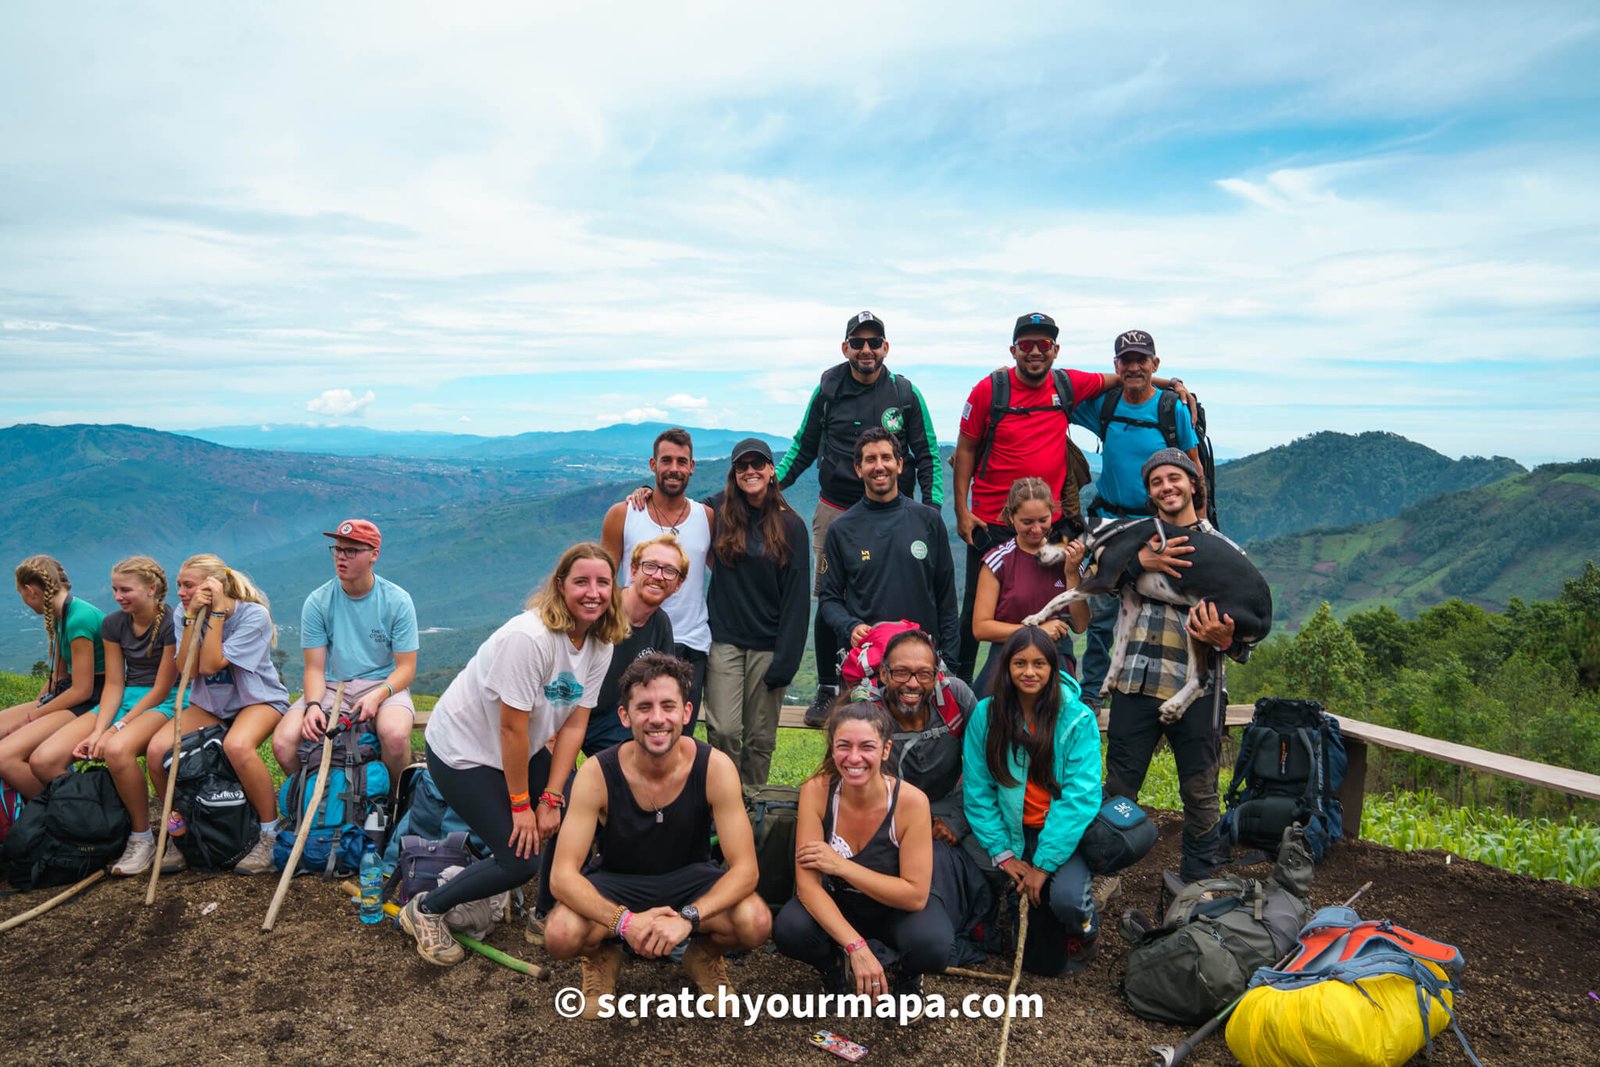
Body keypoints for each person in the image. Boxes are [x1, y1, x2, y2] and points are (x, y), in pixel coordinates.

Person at [400, 542, 627, 966]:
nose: (592, 592)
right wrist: (523, 805)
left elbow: (575, 723)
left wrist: (552, 798)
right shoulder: (530, 638)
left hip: (519, 745)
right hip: (462, 751)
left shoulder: (600, 643)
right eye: (581, 582)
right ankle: (427, 910)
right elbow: (512, 728)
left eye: (603, 582)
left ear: (614, 590)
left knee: (571, 805)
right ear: (560, 586)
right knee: (519, 860)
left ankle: (542, 914)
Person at [951, 313, 1188, 683]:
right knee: (975, 610)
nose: (1035, 351)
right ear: (1013, 350)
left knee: (1053, 598)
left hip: (1049, 523)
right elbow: (965, 449)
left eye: (1043, 344)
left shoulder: (1066, 384)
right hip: (991, 521)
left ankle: (1056, 677)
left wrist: (1168, 384)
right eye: (1026, 344)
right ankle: (960, 688)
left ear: (1055, 350)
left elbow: (1122, 376)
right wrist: (961, 510)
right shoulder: (989, 390)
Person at [545, 654, 771, 1016]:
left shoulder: (714, 767)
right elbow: (561, 876)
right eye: (644, 707)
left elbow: (746, 870)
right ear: (625, 716)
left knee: (756, 921)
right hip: (618, 881)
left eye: (668, 706)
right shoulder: (597, 773)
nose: (657, 718)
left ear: (686, 712)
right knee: (559, 933)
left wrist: (689, 918)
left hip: (690, 881)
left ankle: (704, 957)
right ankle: (602, 958)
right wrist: (626, 922)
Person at [773, 310, 944, 725]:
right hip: (836, 508)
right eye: (858, 342)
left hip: (895, 512)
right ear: (845, 347)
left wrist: (930, 512)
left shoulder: (904, 394)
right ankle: (829, 687)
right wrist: (765, 490)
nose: (866, 349)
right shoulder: (829, 390)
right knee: (828, 598)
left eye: (874, 342)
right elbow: (803, 446)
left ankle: (915, 673)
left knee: (901, 596)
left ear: (885, 348)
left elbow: (927, 454)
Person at [527, 533, 685, 943]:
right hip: (566, 717)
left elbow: (658, 684)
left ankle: (618, 887)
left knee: (630, 792)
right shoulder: (600, 613)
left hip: (614, 725)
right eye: (650, 566)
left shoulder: (660, 624)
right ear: (631, 570)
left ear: (679, 584)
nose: (658, 576)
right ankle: (544, 907)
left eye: (670, 571)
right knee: (567, 796)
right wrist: (551, 730)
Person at [1102, 448, 1250, 885]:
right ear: (1149, 493)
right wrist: (1137, 564)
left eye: (1174, 478)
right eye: (1156, 482)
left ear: (1192, 484)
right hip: (1134, 681)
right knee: (1118, 790)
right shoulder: (1140, 544)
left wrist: (1230, 640)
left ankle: (1197, 892)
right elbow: (1102, 580)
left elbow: (1247, 632)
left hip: (1196, 695)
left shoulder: (1224, 551)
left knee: (1200, 794)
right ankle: (1102, 880)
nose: (1166, 487)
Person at [774, 700, 947, 996]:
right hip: (842, 903)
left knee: (933, 945)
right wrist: (856, 947)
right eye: (844, 746)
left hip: (897, 911)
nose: (854, 758)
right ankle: (833, 966)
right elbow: (808, 887)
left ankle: (907, 976)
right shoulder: (817, 791)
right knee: (790, 928)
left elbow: (915, 895)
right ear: (832, 749)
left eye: (867, 746)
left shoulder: (912, 802)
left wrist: (841, 865)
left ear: (886, 749)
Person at [1071, 330, 1203, 702]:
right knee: (1102, 611)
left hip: (1156, 526)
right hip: (1109, 523)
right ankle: (1093, 694)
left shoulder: (1170, 409)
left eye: (1141, 360)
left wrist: (1199, 528)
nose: (1133, 367)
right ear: (1116, 366)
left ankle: (1145, 692)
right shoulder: (1106, 405)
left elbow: (1195, 472)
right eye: (1126, 360)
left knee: (1156, 610)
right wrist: (1170, 380)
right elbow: (1060, 388)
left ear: (1153, 363)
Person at [962, 626, 1103, 974]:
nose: (1029, 672)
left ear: (1054, 669)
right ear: (1006, 667)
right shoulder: (986, 715)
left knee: (1067, 901)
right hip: (1009, 830)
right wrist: (1004, 855)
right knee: (974, 880)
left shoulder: (1076, 718)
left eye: (1039, 664)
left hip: (1058, 833)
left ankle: (1087, 931)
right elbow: (978, 791)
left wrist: (1043, 865)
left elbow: (1079, 798)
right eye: (1020, 663)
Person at [146, 554, 291, 875]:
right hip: (211, 704)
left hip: (257, 700)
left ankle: (269, 834)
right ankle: (178, 831)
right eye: (180, 585)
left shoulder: (253, 616)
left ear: (215, 586)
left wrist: (218, 614)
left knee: (237, 746)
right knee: (157, 752)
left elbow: (211, 665)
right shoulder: (184, 614)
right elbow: (186, 668)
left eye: (189, 585)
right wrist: (188, 619)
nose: (181, 592)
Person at [872, 630, 991, 966]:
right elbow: (853, 777)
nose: (912, 683)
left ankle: (976, 921)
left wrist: (958, 820)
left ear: (937, 673)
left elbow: (984, 765)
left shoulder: (956, 697)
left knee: (990, 864)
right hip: (887, 811)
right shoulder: (867, 708)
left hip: (947, 802)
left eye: (923, 673)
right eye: (901, 673)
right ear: (883, 674)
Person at [272, 519, 419, 785]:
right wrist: (313, 706)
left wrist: (379, 694)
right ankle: (314, 801)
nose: (341, 557)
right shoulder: (318, 601)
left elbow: (406, 668)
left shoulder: (397, 600)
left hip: (383, 685)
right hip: (330, 686)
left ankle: (394, 802)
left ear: (374, 554)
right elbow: (314, 667)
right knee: (283, 744)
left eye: (352, 551)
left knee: (395, 737)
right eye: (338, 549)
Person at [63, 558, 179, 876]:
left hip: (163, 700)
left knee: (116, 750)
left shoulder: (171, 622)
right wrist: (99, 729)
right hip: (125, 698)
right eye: (115, 589)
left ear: (151, 589)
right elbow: (115, 683)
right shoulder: (113, 624)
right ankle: (90, 828)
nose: (118, 596)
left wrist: (116, 728)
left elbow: (161, 687)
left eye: (125, 589)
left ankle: (142, 837)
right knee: (47, 757)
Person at [704, 438, 809, 788]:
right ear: (734, 474)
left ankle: (753, 805)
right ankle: (724, 799)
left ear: (770, 470)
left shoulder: (791, 525)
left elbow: (797, 599)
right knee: (724, 730)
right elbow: (674, 510)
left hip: (769, 645)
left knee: (760, 739)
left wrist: (787, 660)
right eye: (742, 466)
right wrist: (644, 492)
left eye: (757, 464)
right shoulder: (717, 511)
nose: (750, 471)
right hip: (725, 640)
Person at [817, 428, 959, 672]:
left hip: (922, 662)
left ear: (900, 464)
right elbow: (828, 600)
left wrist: (951, 661)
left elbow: (946, 599)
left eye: (886, 458)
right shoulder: (841, 530)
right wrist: (849, 626)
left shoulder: (929, 521)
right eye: (870, 459)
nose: (879, 466)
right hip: (866, 662)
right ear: (858, 469)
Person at [602, 429, 713, 726]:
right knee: (626, 728)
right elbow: (604, 580)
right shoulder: (623, 515)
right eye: (666, 461)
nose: (674, 469)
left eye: (681, 461)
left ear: (692, 467)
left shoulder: (707, 517)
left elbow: (727, 572)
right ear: (653, 465)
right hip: (632, 639)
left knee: (678, 732)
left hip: (690, 641)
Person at [972, 478, 1090, 695]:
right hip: (1007, 660)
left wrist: (1072, 573)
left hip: (1056, 662)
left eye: (1043, 520)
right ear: (1011, 518)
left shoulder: (1068, 558)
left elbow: (1081, 624)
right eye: (1027, 522)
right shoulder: (998, 561)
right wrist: (1036, 632)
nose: (1036, 529)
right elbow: (981, 627)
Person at [0, 556, 107, 797]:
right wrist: (36, 709)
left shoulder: (79, 619)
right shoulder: (62, 613)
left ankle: (60, 814)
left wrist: (30, 719)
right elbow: (58, 677)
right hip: (71, 694)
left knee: (4, 757)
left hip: (92, 700)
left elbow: (83, 690)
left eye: (21, 594)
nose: (24, 601)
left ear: (30, 591)